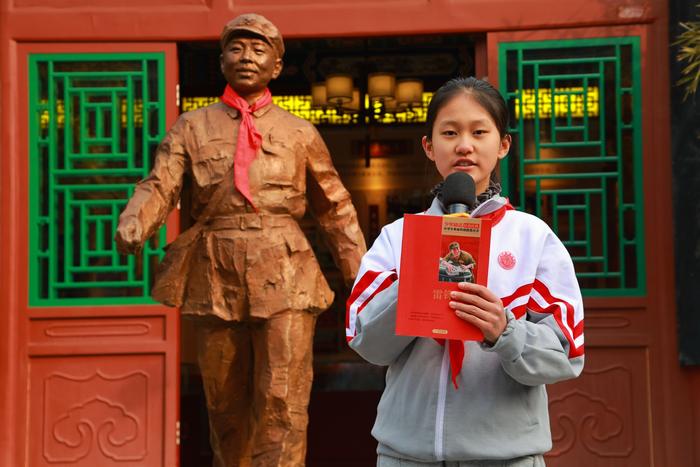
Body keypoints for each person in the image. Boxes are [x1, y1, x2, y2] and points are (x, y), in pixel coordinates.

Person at [115, 13, 366, 467]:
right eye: (236, 48)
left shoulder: (298, 132)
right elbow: (159, 184)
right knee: (225, 406)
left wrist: (364, 279)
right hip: (216, 271)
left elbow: (335, 206)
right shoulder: (190, 128)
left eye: (258, 49)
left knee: (282, 401)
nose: (246, 57)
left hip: (287, 269)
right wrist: (136, 220)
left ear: (276, 66)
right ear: (221, 60)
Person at [346, 77, 584, 466]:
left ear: (503, 144)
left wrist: (504, 330)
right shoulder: (397, 238)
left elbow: (565, 354)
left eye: (479, 131)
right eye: (450, 132)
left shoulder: (532, 237)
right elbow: (365, 342)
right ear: (428, 145)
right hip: (406, 456)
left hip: (507, 457)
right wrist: (411, 287)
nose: (464, 145)